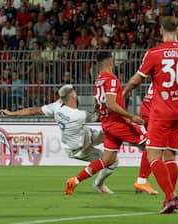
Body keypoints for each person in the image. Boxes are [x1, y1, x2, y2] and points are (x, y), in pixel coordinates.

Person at [123, 16, 178, 214]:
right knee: (170, 155)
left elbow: (137, 81)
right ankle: (168, 198)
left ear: (161, 30)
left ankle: (171, 196)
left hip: (161, 112)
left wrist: (124, 93)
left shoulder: (154, 53)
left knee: (154, 154)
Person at [64, 52, 157, 196]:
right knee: (150, 144)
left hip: (107, 123)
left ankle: (74, 181)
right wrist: (131, 116)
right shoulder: (111, 79)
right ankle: (142, 181)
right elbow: (112, 104)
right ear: (111, 63)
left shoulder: (98, 80)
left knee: (107, 160)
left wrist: (103, 114)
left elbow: (96, 104)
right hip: (117, 123)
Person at [0, 84, 117, 194]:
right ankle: (98, 184)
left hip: (83, 136)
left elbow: (33, 110)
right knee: (112, 161)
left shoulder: (56, 106)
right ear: (73, 96)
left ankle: (127, 140)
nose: (76, 93)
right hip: (79, 149)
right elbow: (99, 117)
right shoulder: (79, 115)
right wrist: (100, 105)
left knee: (112, 133)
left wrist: (11, 113)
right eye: (74, 91)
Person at [133, 83, 178, 194]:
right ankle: (143, 181)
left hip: (151, 109)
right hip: (155, 112)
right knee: (156, 148)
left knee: (154, 147)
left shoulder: (163, 71)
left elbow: (166, 95)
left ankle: (143, 182)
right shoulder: (171, 74)